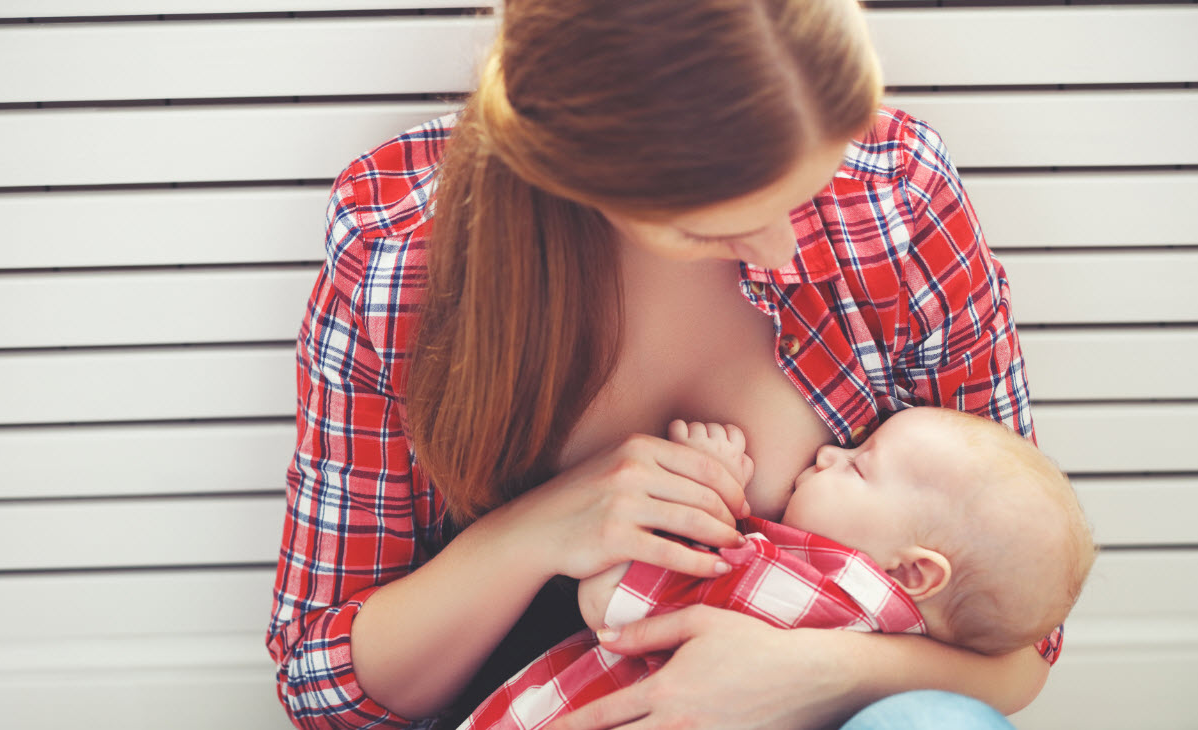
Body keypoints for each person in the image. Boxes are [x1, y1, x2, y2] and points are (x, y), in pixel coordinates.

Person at [265, 1, 1061, 728]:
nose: (785, 251)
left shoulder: (895, 196)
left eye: (804, 190)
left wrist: (812, 671)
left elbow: (1019, 640)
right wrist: (538, 530)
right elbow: (323, 691)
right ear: (580, 177)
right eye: (715, 228)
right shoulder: (403, 253)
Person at [458, 408, 1096, 729]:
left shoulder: (806, 588)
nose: (828, 452)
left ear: (912, 573)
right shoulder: (905, 637)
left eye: (859, 465)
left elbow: (608, 599)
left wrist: (705, 498)